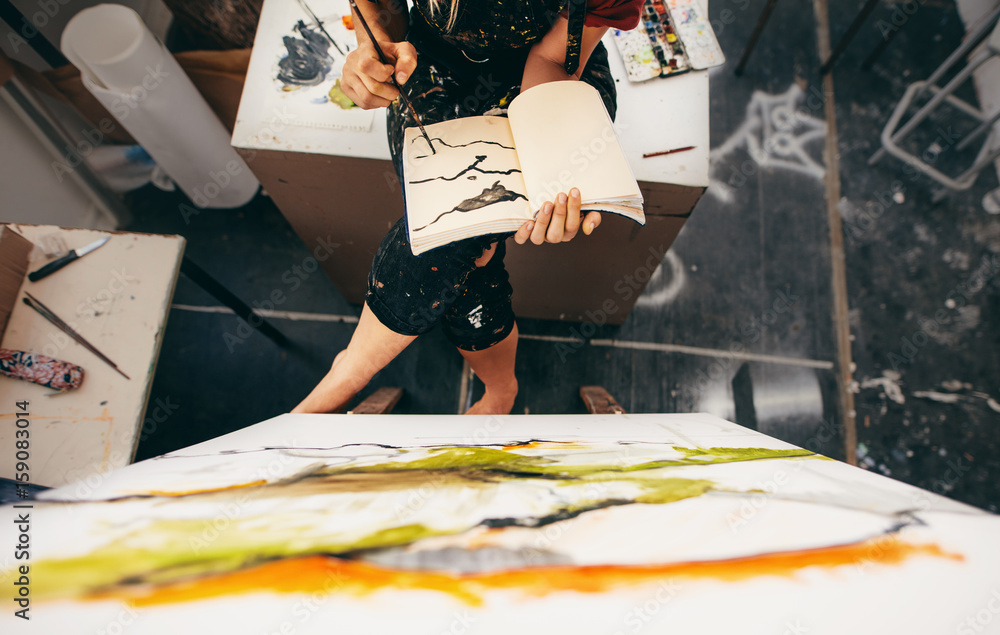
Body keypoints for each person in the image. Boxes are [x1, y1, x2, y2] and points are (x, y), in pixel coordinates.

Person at [292, 0, 643, 415]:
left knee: (463, 230)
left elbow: (553, 57)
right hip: (433, 66)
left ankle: (353, 369)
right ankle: (499, 390)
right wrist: (374, 49)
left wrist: (543, 157)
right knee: (467, 252)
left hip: (557, 74)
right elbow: (380, 9)